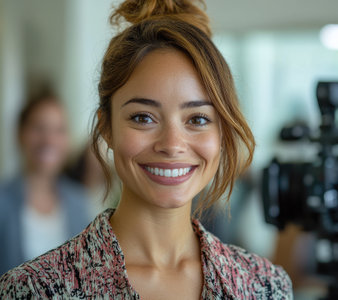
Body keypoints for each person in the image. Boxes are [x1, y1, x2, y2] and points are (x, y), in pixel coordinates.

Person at [0, 0, 293, 298]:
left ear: (222, 132)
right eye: (143, 117)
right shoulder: (34, 290)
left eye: (198, 119)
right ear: (106, 128)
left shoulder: (265, 285)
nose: (172, 145)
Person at [0, 89, 90, 276]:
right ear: (20, 133)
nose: (49, 139)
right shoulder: (3, 201)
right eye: (39, 128)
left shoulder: (79, 203)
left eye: (59, 130)